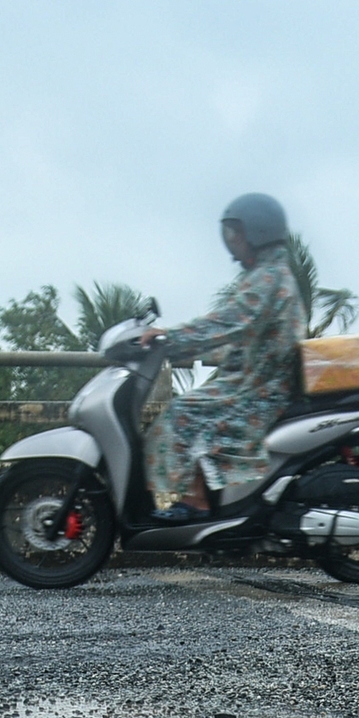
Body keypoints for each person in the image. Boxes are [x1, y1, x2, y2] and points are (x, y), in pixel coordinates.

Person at [137, 193, 309, 523]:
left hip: (262, 390)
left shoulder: (269, 278)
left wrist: (169, 338)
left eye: (236, 233)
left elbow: (228, 321)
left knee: (181, 414)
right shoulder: (267, 273)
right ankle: (202, 497)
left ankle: (195, 502)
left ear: (258, 232)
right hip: (254, 382)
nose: (232, 242)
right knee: (193, 407)